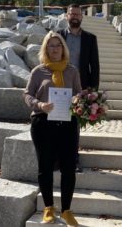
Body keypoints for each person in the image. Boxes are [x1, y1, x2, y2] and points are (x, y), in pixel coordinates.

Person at [24, 31, 81, 226]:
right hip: (43, 125)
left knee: (68, 169)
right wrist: (40, 105)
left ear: (63, 48)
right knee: (45, 167)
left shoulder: (72, 71)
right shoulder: (38, 71)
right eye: (51, 45)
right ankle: (48, 208)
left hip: (68, 124)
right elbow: (27, 95)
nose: (55, 49)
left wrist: (76, 99)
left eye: (58, 45)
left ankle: (66, 210)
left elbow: (79, 94)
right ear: (45, 49)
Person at [60, 3, 100, 172]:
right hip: (59, 86)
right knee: (57, 124)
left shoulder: (90, 39)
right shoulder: (58, 36)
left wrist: (93, 91)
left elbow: (95, 67)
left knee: (74, 126)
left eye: (77, 14)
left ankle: (73, 160)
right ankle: (58, 159)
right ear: (66, 16)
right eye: (71, 14)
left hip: (80, 88)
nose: (74, 16)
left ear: (82, 17)